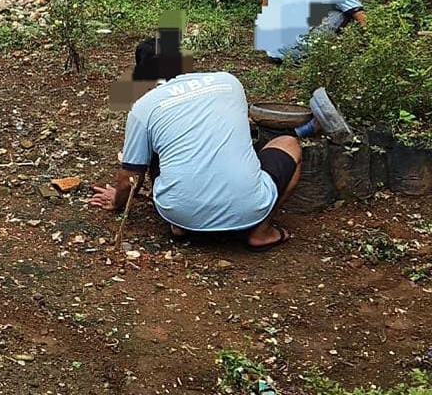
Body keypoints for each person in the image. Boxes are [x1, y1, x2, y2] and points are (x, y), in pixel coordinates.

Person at [89, 38, 350, 251]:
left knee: (157, 149)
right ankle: (261, 231)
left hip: (180, 213)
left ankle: (183, 225)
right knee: (290, 143)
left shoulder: (144, 108)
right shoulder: (228, 82)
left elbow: (130, 177)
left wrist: (117, 202)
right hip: (250, 207)